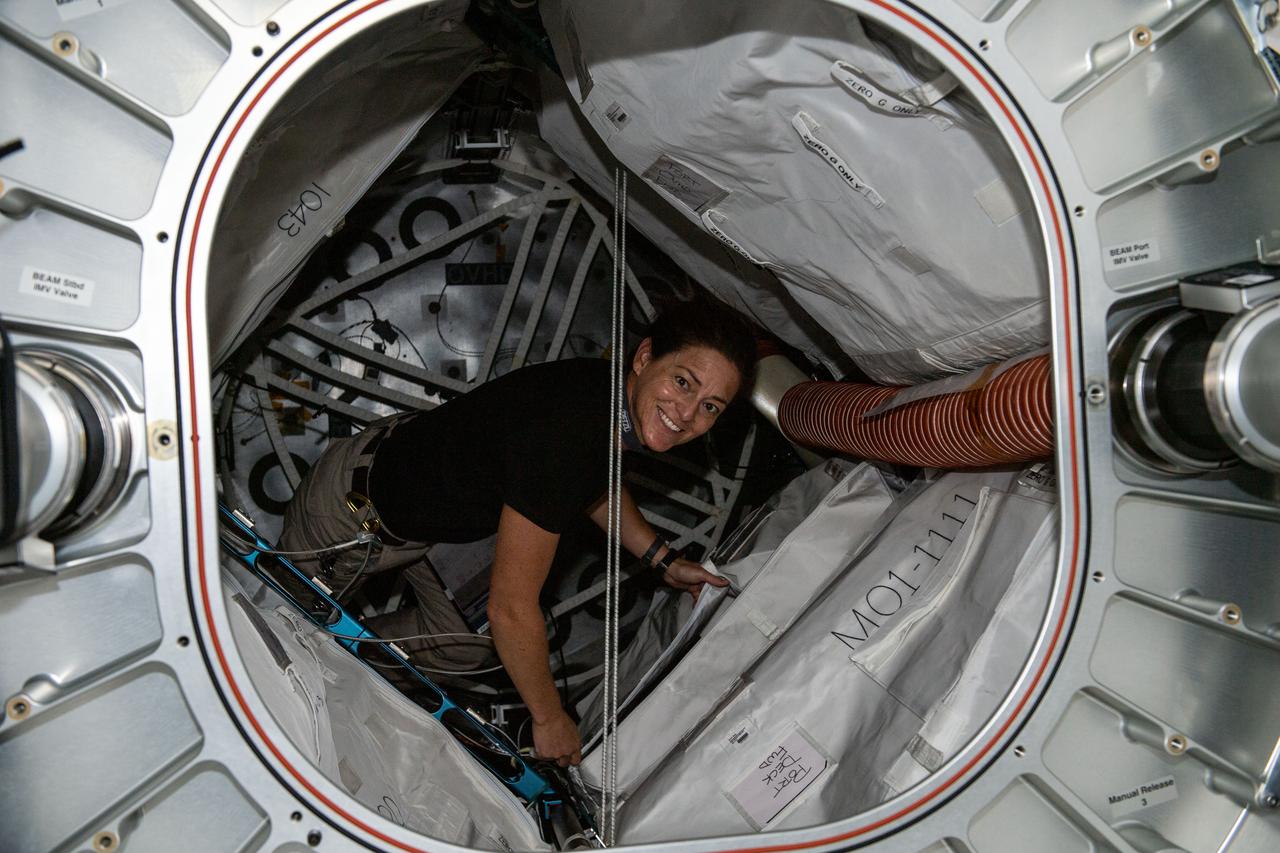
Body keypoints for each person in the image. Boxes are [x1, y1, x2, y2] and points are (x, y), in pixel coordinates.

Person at [279, 296, 757, 766]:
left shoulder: (609, 401)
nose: (688, 414)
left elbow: (598, 483)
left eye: (711, 406)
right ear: (645, 357)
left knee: (461, 645)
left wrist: (663, 561)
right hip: (350, 513)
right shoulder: (566, 439)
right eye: (683, 382)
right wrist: (548, 720)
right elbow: (510, 609)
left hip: (432, 517)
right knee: (280, 630)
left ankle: (345, 662)